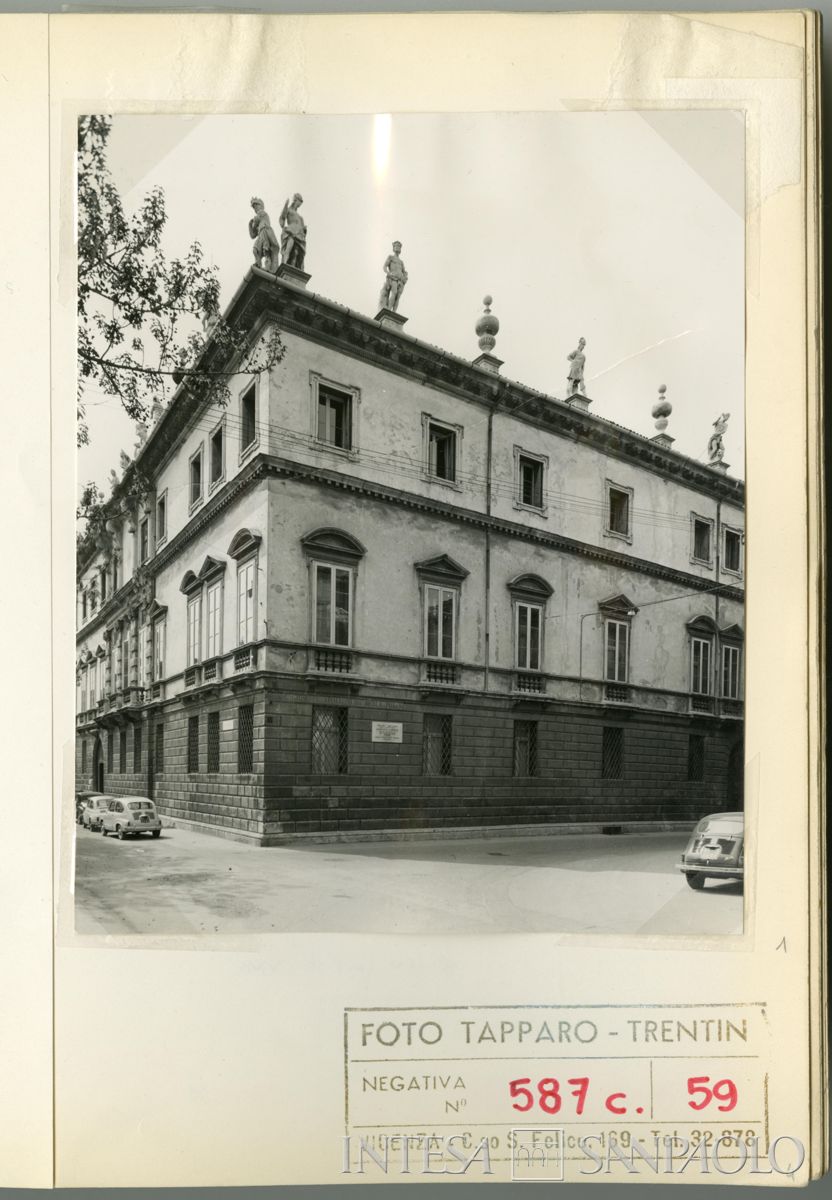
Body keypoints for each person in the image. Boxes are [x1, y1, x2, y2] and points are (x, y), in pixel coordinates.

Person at [279, 193, 307, 270]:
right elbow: (282, 221)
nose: (300, 204)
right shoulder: (289, 210)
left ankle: (294, 268)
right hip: (291, 232)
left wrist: (304, 229)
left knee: (296, 252)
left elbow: (303, 231)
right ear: (295, 200)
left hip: (299, 235)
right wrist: (285, 206)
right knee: (288, 249)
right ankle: (284, 264)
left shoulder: (300, 217)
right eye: (300, 201)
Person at [378, 241, 408, 312]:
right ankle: (388, 310)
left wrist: (405, 277)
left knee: (398, 297)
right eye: (396, 246)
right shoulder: (390, 257)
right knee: (394, 293)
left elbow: (404, 271)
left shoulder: (401, 262)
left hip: (400, 280)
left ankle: (394, 312)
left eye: (399, 246)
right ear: (393, 248)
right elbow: (384, 267)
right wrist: (388, 273)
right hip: (393, 278)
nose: (398, 247)